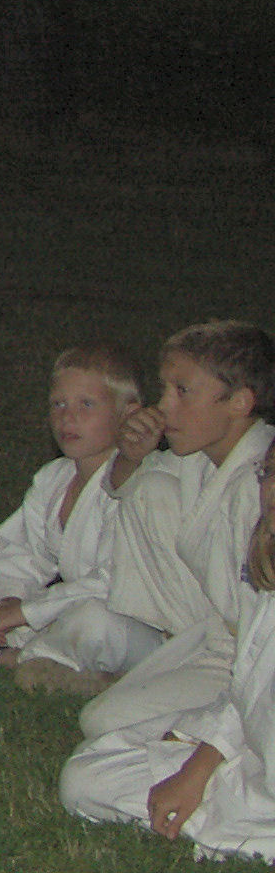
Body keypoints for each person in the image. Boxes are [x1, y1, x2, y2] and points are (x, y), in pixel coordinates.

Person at [62, 321, 273, 752]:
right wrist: (131, 456)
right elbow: (123, 488)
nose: (164, 406)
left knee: (103, 724)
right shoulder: (202, 456)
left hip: (251, 660)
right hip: (209, 634)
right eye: (165, 390)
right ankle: (164, 653)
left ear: (239, 401)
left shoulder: (259, 488)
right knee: (150, 487)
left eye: (182, 392)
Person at [61, 448, 275, 860]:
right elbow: (247, 693)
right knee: (86, 772)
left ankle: (237, 835)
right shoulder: (268, 587)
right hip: (249, 766)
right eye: (269, 473)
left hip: (259, 798)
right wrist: (200, 761)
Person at [0, 344, 153, 686]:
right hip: (71, 614)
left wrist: (29, 611)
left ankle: (14, 659)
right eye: (58, 404)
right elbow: (18, 551)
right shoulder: (54, 479)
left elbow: (114, 582)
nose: (67, 417)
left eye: (86, 404)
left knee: (94, 621)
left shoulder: (138, 484)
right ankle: (45, 659)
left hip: (140, 630)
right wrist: (3, 603)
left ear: (128, 414)